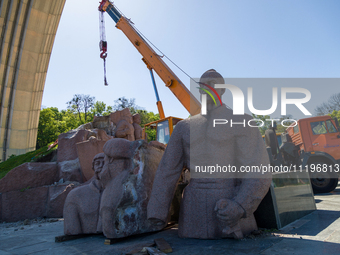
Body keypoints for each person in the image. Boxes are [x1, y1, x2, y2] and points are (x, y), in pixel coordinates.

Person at [147, 69, 272, 239]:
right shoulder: (184, 128)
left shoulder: (241, 122)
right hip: (193, 212)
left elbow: (259, 170)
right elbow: (167, 171)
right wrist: (157, 213)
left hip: (229, 206)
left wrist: (241, 205)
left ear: (222, 90)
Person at [64, 153, 105, 235]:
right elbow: (72, 230)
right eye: (97, 164)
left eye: (104, 163)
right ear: (93, 167)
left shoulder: (120, 191)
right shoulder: (75, 195)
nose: (101, 166)